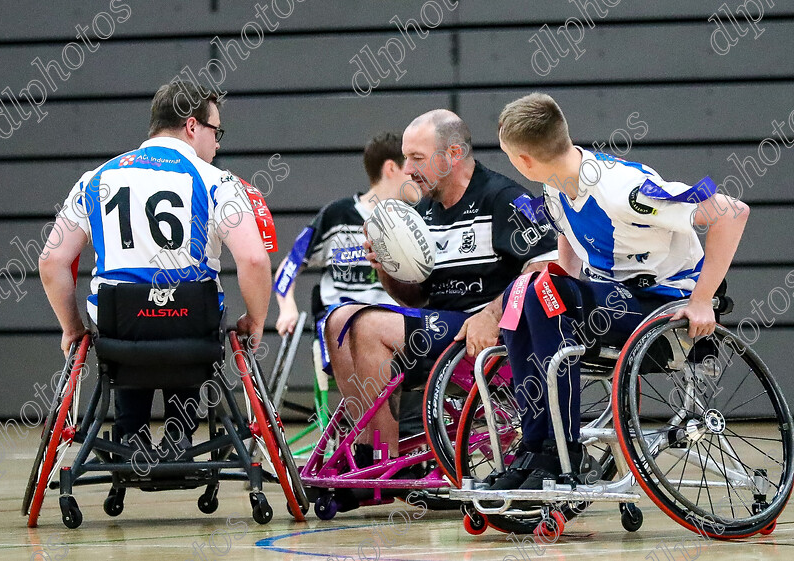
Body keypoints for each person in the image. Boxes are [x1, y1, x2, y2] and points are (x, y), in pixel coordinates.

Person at [489, 92, 749, 491]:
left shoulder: (624, 190)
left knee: (540, 292)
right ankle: (536, 446)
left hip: (666, 305)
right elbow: (569, 255)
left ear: (522, 160)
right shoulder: (556, 186)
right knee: (521, 292)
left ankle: (565, 450)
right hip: (618, 301)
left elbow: (732, 211)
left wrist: (702, 299)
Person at [39, 80, 272, 458]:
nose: (218, 143)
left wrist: (72, 329)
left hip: (118, 330)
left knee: (128, 319)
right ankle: (180, 434)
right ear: (193, 126)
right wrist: (257, 320)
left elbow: (51, 261)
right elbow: (255, 258)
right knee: (194, 307)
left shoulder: (96, 179)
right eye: (217, 131)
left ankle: (130, 435)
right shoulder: (218, 181)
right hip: (191, 328)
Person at [328, 109, 557, 462]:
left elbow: (548, 268)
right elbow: (416, 297)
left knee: (369, 327)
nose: (406, 169)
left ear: (452, 155)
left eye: (416, 157)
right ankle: (369, 452)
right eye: (405, 158)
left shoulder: (503, 199)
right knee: (339, 320)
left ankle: (379, 460)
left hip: (490, 337)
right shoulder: (427, 213)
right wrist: (386, 268)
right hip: (441, 328)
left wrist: (491, 315)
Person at [274, 132, 408, 338]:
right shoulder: (335, 216)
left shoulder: (416, 222)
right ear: (391, 168)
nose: (418, 174)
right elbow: (290, 265)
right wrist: (287, 307)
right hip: (339, 334)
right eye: (410, 166)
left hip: (394, 331)